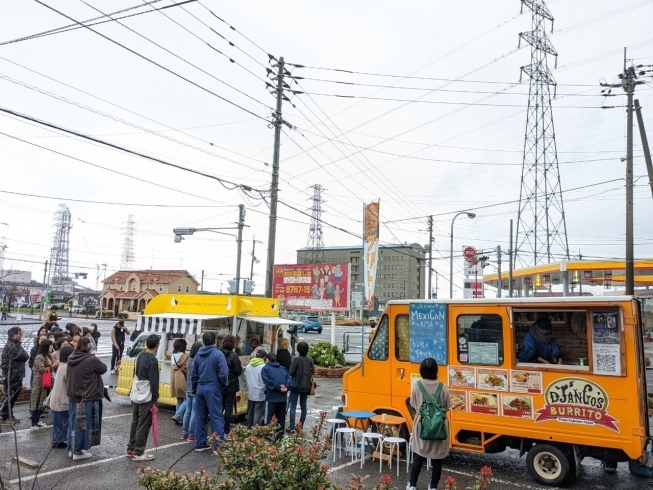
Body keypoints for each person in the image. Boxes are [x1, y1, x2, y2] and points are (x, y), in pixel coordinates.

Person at [407, 358, 450, 490]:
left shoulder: (416, 386)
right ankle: (433, 486)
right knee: (437, 458)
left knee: (418, 455)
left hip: (421, 424)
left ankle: (412, 484)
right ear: (436, 370)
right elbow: (447, 406)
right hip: (440, 426)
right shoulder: (443, 387)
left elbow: (413, 405)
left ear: (421, 370)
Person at [67, 337, 107, 461]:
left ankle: (72, 448)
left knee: (73, 424)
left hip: (73, 396)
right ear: (89, 346)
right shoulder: (90, 359)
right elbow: (104, 368)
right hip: (86, 396)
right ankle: (77, 452)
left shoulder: (71, 357)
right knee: (82, 425)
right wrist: (94, 356)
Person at [191, 331, 228, 452]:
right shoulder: (218, 354)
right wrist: (223, 385)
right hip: (213, 387)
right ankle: (219, 446)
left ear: (203, 342)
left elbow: (194, 373)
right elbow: (223, 374)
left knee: (200, 416)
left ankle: (200, 443)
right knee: (216, 416)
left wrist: (195, 388)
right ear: (215, 341)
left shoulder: (198, 355)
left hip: (200, 387)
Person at [127, 334, 160, 462]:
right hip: (147, 394)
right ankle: (139, 451)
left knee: (135, 421)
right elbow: (154, 381)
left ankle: (131, 448)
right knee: (143, 423)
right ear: (157, 346)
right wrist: (156, 397)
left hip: (137, 390)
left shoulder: (140, 355)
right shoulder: (152, 359)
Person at [0, 327, 29, 425]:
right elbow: (24, 356)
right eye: (19, 334)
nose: (20, 336)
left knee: (13, 397)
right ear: (12, 334)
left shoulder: (16, 345)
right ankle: (3, 417)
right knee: (8, 397)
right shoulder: (11, 346)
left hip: (17, 375)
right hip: (11, 376)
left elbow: (25, 355)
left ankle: (9, 414)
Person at [261, 352, 292, 440]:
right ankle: (280, 437)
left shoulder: (265, 369)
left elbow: (267, 381)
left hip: (271, 398)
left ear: (267, 359)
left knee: (268, 419)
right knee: (281, 419)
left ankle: (267, 438)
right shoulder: (282, 368)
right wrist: (286, 386)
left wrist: (278, 387)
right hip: (282, 398)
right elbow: (289, 378)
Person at [49, 345, 73, 448]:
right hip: (61, 399)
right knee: (63, 422)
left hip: (56, 398)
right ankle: (59, 441)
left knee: (58, 422)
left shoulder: (62, 365)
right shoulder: (67, 367)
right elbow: (70, 383)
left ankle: (56, 439)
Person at [287, 341, 314, 432]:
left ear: (298, 350)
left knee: (293, 406)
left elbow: (291, 372)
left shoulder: (296, 359)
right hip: (306, 385)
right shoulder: (310, 360)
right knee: (303, 406)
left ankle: (291, 426)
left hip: (295, 385)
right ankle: (301, 425)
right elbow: (313, 372)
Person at [31, 339, 57, 428]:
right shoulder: (39, 357)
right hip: (39, 383)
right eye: (51, 346)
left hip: (47, 382)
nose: (52, 347)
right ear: (46, 346)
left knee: (42, 402)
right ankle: (34, 422)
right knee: (37, 402)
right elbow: (42, 370)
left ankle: (37, 421)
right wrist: (54, 366)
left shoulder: (48, 356)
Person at [220, 334, 242, 436]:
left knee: (219, 408)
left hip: (219, 385)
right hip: (231, 385)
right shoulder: (234, 356)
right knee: (228, 409)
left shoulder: (218, 354)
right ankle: (226, 430)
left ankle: (217, 428)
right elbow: (238, 371)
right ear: (234, 344)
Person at [181, 341, 202, 442]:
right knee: (194, 412)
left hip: (188, 388)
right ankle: (191, 434)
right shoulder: (198, 361)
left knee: (187, 411)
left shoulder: (189, 360)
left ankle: (185, 433)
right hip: (195, 389)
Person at [243, 349, 267, 429]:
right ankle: (255, 429)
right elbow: (265, 380)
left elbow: (245, 377)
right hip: (260, 392)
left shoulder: (249, 365)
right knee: (258, 412)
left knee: (250, 410)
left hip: (250, 391)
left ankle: (248, 427)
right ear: (264, 357)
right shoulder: (263, 367)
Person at [170, 339, 188, 426]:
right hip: (183, 380)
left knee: (179, 399)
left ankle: (178, 418)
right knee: (187, 399)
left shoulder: (172, 355)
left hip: (175, 381)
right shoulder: (185, 356)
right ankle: (178, 415)